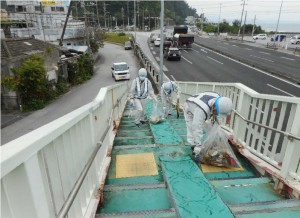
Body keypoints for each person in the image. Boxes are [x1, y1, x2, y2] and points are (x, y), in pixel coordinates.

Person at [183, 92, 233, 157]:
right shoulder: (201, 110)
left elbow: (218, 118)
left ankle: (208, 144)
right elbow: (197, 126)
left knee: (209, 125)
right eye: (217, 112)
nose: (217, 114)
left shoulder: (220, 101)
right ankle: (194, 146)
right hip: (190, 106)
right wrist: (198, 145)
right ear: (214, 106)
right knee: (192, 127)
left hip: (199, 102)